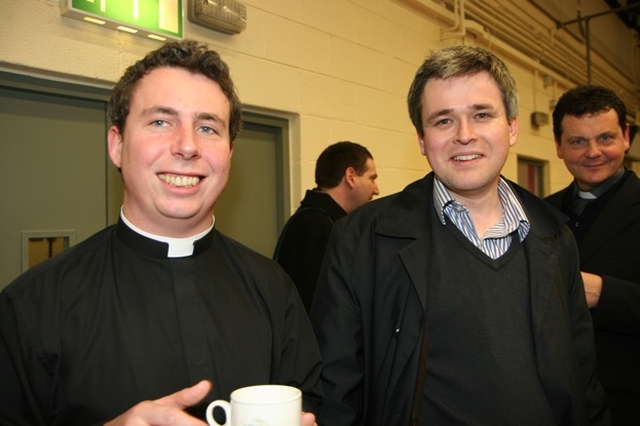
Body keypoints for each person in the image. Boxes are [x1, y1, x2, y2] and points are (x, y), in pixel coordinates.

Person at [0, 39, 322, 426]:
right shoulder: (32, 306)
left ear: (230, 154)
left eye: (207, 127)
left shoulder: (273, 288)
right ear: (117, 145)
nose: (187, 146)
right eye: (160, 121)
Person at [309, 45, 610, 425]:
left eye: (481, 114)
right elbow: (335, 389)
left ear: (512, 127)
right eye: (443, 121)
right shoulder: (360, 240)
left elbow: (584, 380)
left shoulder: (556, 237)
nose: (464, 136)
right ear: (421, 139)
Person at [545, 85, 640, 425]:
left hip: (625, 400)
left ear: (625, 137)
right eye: (577, 141)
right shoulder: (540, 213)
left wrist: (603, 292)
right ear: (558, 145)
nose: (593, 152)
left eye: (605, 138)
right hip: (553, 396)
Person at [273, 141, 379, 311]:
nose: (376, 189)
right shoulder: (318, 226)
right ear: (351, 176)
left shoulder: (317, 219)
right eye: (371, 178)